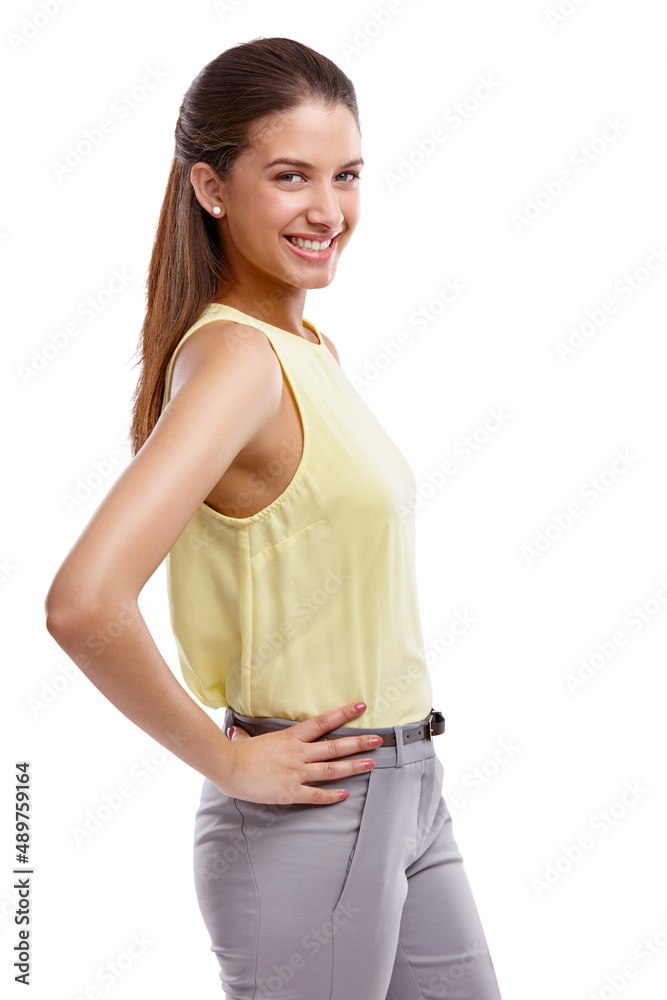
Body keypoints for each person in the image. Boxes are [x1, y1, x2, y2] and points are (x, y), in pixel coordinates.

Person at [45, 36, 503, 1000]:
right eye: (290, 176)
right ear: (211, 188)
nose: (327, 210)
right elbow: (84, 603)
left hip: (409, 787)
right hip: (311, 810)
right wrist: (223, 760)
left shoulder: (305, 349)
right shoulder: (238, 363)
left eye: (346, 175)